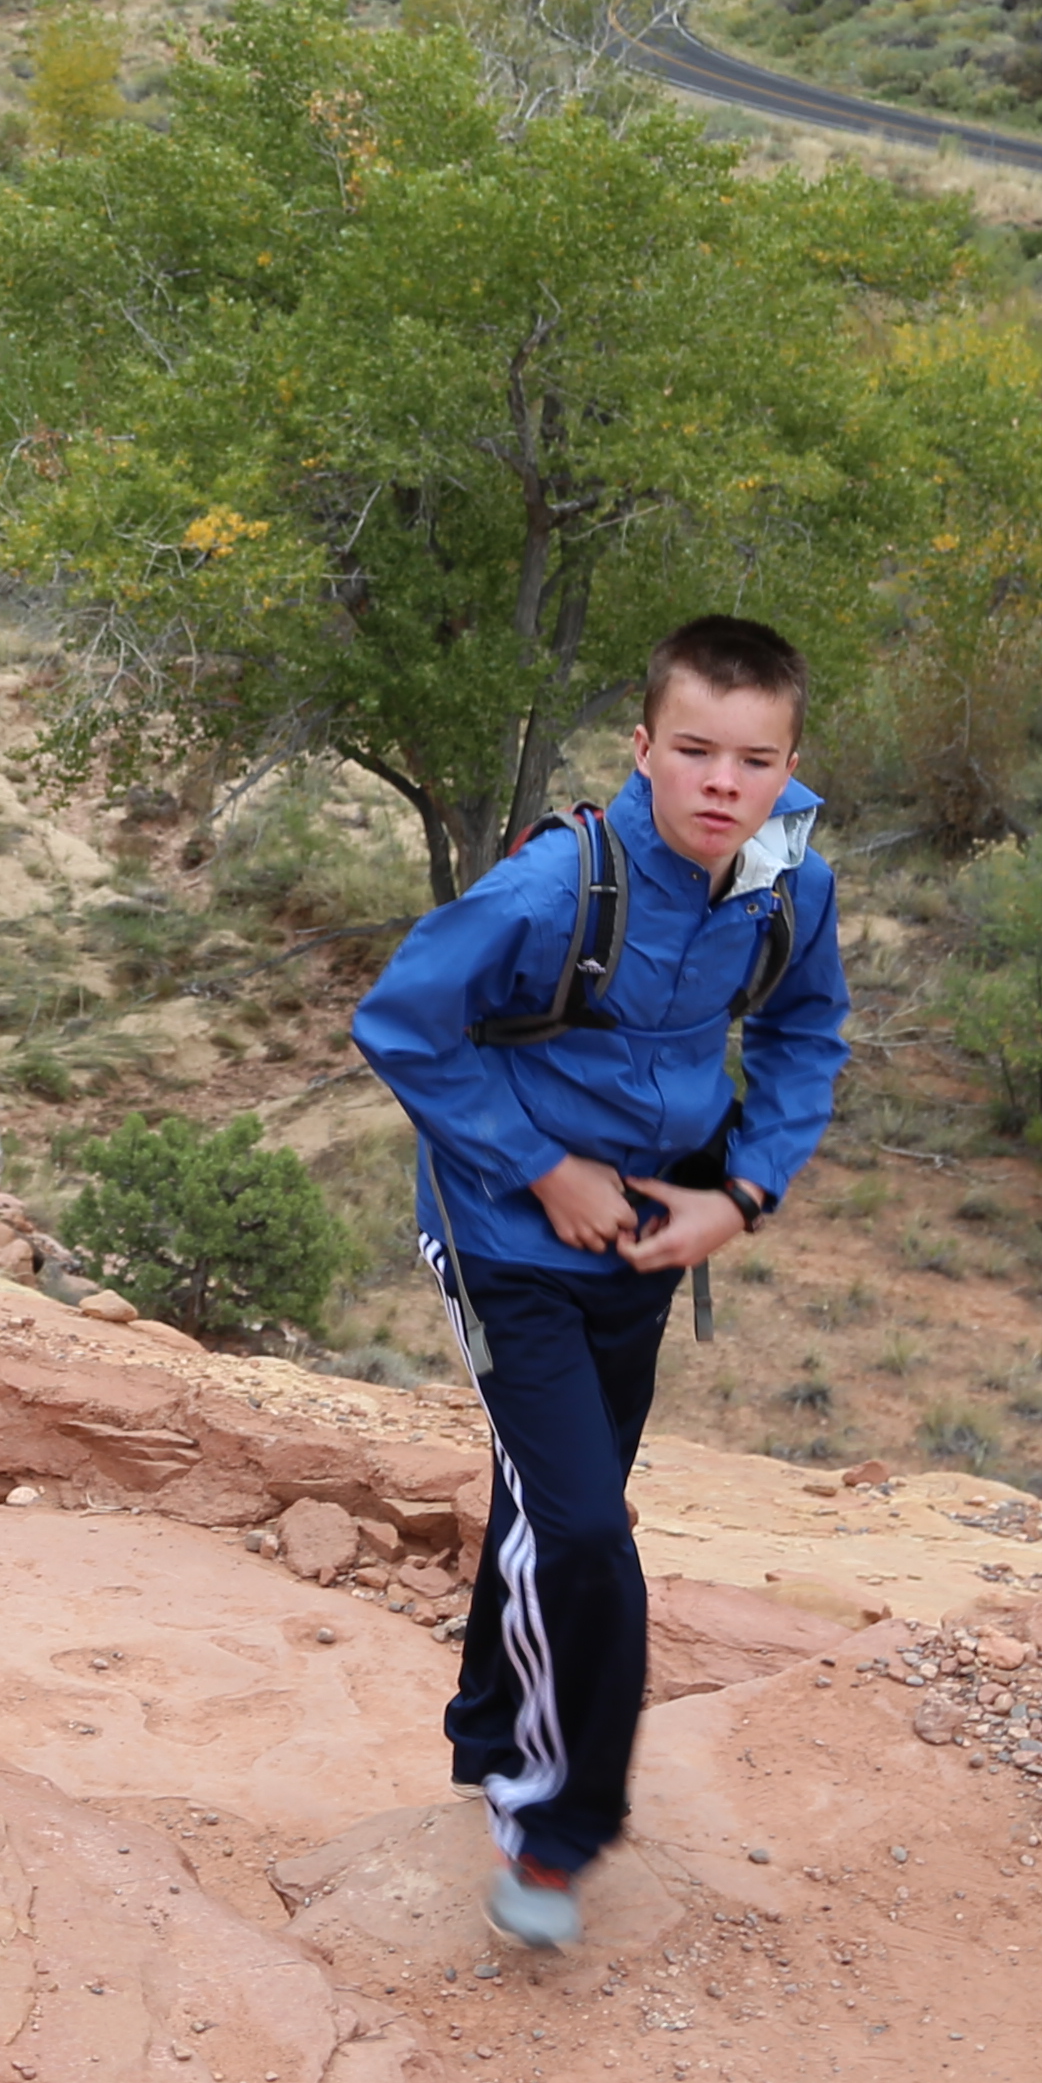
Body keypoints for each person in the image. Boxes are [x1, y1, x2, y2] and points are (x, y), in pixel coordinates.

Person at [348, 613, 848, 1953]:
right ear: (644, 748)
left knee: (555, 1501)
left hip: (647, 1237)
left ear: (789, 762)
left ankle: (486, 1733)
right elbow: (399, 1022)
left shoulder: (788, 877)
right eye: (693, 751)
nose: (721, 784)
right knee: (581, 1534)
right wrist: (539, 1165)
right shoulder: (553, 885)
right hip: (506, 1239)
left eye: (754, 759)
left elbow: (807, 1033)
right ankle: (554, 1827)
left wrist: (739, 1195)